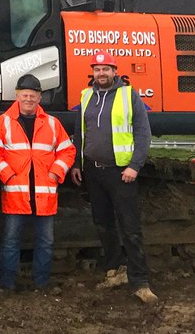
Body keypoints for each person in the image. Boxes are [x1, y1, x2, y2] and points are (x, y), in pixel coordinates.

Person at [68, 51, 158, 304]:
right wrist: (77, 164)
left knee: (130, 227)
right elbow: (80, 132)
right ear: (93, 72)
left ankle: (140, 282)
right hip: (93, 172)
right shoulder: (86, 96)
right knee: (103, 224)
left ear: (115, 71)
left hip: (121, 173)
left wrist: (134, 166)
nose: (101, 73)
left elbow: (143, 134)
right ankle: (115, 271)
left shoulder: (129, 96)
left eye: (106, 69)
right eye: (97, 69)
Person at [0, 73, 75, 291]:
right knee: (11, 242)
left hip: (44, 195)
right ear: (17, 96)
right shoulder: (3, 122)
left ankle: (41, 285)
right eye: (25, 95)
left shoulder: (52, 123)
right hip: (16, 194)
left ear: (39, 97)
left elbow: (67, 151)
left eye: (33, 95)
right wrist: (8, 175)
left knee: (45, 242)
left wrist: (56, 173)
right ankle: (7, 284)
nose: (28, 99)